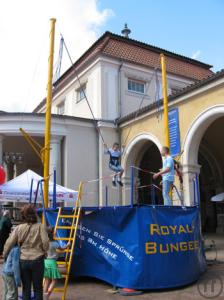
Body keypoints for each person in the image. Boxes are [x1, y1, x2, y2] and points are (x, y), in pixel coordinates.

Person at [3, 204, 49, 300]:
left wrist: (5, 254)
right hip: (38, 260)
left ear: (23, 216)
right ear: (35, 215)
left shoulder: (19, 228)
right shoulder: (40, 227)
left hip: (23, 261)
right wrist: (45, 251)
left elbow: (9, 243)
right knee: (38, 288)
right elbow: (45, 242)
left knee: (26, 289)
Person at [43, 227, 70, 299]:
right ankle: (48, 294)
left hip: (46, 262)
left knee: (47, 280)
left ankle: (45, 295)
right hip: (52, 262)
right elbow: (62, 249)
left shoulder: (45, 243)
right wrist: (68, 245)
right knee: (54, 280)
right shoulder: (55, 243)